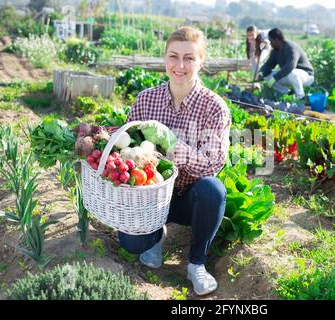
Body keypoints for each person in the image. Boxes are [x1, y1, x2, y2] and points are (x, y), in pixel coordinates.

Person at [120, 26, 231, 296]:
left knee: (212, 190)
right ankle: (156, 236)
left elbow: (211, 164)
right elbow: (124, 152)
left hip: (190, 197)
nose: (180, 65)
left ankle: (196, 263)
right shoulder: (146, 100)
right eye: (174, 56)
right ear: (165, 58)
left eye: (189, 58)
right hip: (150, 196)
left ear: (200, 62)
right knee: (130, 243)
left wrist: (172, 143)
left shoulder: (214, 107)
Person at [257, 28, 314, 103]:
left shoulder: (291, 47)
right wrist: (261, 73)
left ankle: (301, 98)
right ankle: (287, 93)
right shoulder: (275, 51)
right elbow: (268, 65)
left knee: (291, 72)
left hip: (306, 76)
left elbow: (290, 66)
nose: (270, 44)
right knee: (268, 76)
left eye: (271, 41)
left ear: (277, 39)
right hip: (291, 76)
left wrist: (275, 78)